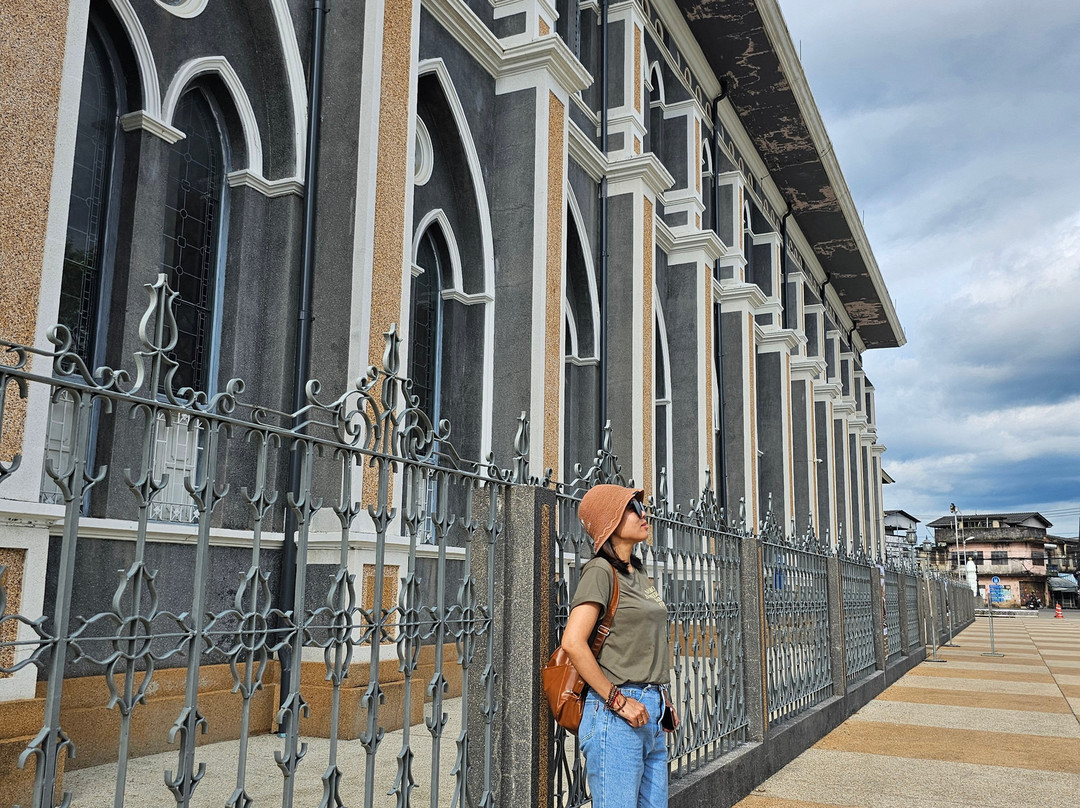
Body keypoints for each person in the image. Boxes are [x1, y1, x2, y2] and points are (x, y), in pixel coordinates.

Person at [559, 484, 677, 808]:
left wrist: (659, 698)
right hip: (615, 715)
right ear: (609, 521)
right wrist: (618, 700)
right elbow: (572, 641)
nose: (643, 513)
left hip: (650, 712)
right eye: (632, 508)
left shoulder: (637, 571)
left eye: (641, 507)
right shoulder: (600, 571)